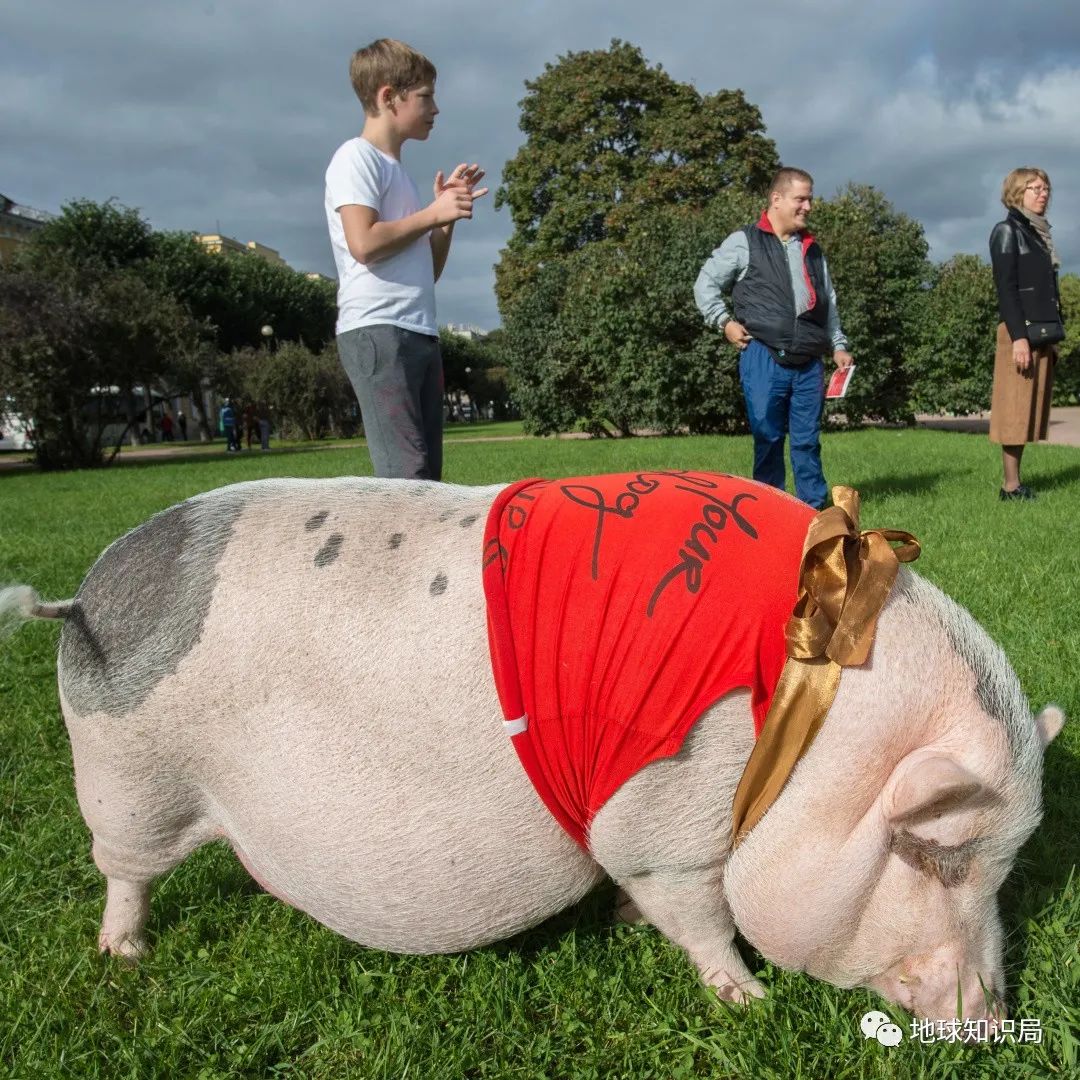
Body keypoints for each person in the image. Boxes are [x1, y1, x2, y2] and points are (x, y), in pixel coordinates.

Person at [324, 38, 488, 481]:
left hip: (417, 332)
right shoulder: (355, 158)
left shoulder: (399, 174)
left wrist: (444, 219)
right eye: (425, 97)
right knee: (405, 483)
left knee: (427, 483)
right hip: (379, 332)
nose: (435, 109)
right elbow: (364, 243)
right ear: (387, 96)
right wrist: (430, 214)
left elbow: (427, 271)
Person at [694, 167, 854, 510]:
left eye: (810, 198)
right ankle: (767, 511)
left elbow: (829, 301)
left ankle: (814, 511)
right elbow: (705, 284)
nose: (808, 206)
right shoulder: (744, 241)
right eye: (801, 198)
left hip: (809, 360)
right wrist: (724, 322)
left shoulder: (812, 249)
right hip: (763, 356)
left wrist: (838, 344)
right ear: (776, 199)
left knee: (807, 442)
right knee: (767, 438)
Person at [988, 168, 1063, 501]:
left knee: (1028, 411)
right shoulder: (1007, 231)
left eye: (1045, 187)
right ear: (1017, 193)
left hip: (1039, 333)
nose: (1042, 193)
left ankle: (1016, 483)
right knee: (1014, 410)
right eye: (1034, 188)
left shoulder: (1038, 233)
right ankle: (1010, 487)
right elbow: (1006, 289)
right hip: (1020, 333)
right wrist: (1019, 336)